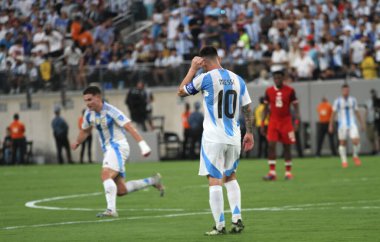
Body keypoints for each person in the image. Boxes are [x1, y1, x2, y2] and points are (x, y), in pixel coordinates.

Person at [177, 46, 254, 235]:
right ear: (218, 57)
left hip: (213, 137)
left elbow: (181, 91)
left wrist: (192, 69)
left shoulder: (205, 78)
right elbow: (247, 107)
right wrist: (249, 133)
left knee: (214, 179)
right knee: (231, 176)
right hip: (234, 136)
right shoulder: (238, 79)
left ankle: (219, 226)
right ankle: (237, 219)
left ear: (203, 61)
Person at [71, 86, 164, 218]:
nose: (87, 103)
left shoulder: (111, 111)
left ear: (98, 97)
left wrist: (143, 145)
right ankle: (152, 181)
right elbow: (85, 131)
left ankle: (111, 210)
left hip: (118, 147)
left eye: (90, 99)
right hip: (109, 150)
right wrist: (77, 142)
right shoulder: (88, 114)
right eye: (85, 100)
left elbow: (129, 127)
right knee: (121, 190)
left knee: (105, 175)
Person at [261, 68, 300, 181]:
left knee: (287, 147)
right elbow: (265, 109)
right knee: (271, 146)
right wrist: (263, 123)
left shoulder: (290, 90)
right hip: (273, 121)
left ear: (283, 78)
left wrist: (296, 121)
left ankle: (288, 173)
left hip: (286, 122)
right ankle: (272, 172)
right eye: (275, 78)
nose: (277, 79)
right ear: (273, 79)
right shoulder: (268, 91)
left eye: (279, 77)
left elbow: (296, 108)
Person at [329, 84, 365, 168]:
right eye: (344, 90)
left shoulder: (353, 100)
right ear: (342, 91)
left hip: (352, 123)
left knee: (356, 141)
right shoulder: (337, 101)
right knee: (342, 142)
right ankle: (344, 161)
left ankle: (355, 156)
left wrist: (362, 123)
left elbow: (357, 112)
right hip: (342, 124)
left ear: (349, 91)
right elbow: (333, 114)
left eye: (347, 90)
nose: (346, 92)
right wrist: (330, 125)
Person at [364, 89, 379, 155]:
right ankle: (374, 150)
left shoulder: (378, 101)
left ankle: (378, 150)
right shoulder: (368, 102)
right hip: (369, 121)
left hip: (376, 121)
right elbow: (366, 111)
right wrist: (364, 121)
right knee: (371, 137)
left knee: (377, 137)